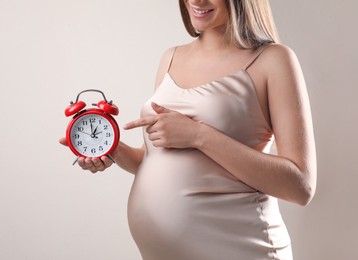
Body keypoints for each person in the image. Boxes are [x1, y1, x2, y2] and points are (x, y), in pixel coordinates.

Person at [60, 0, 317, 259]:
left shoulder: (273, 60)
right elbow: (155, 161)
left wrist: (199, 136)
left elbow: (300, 186)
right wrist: (111, 148)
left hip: (242, 249)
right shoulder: (170, 57)